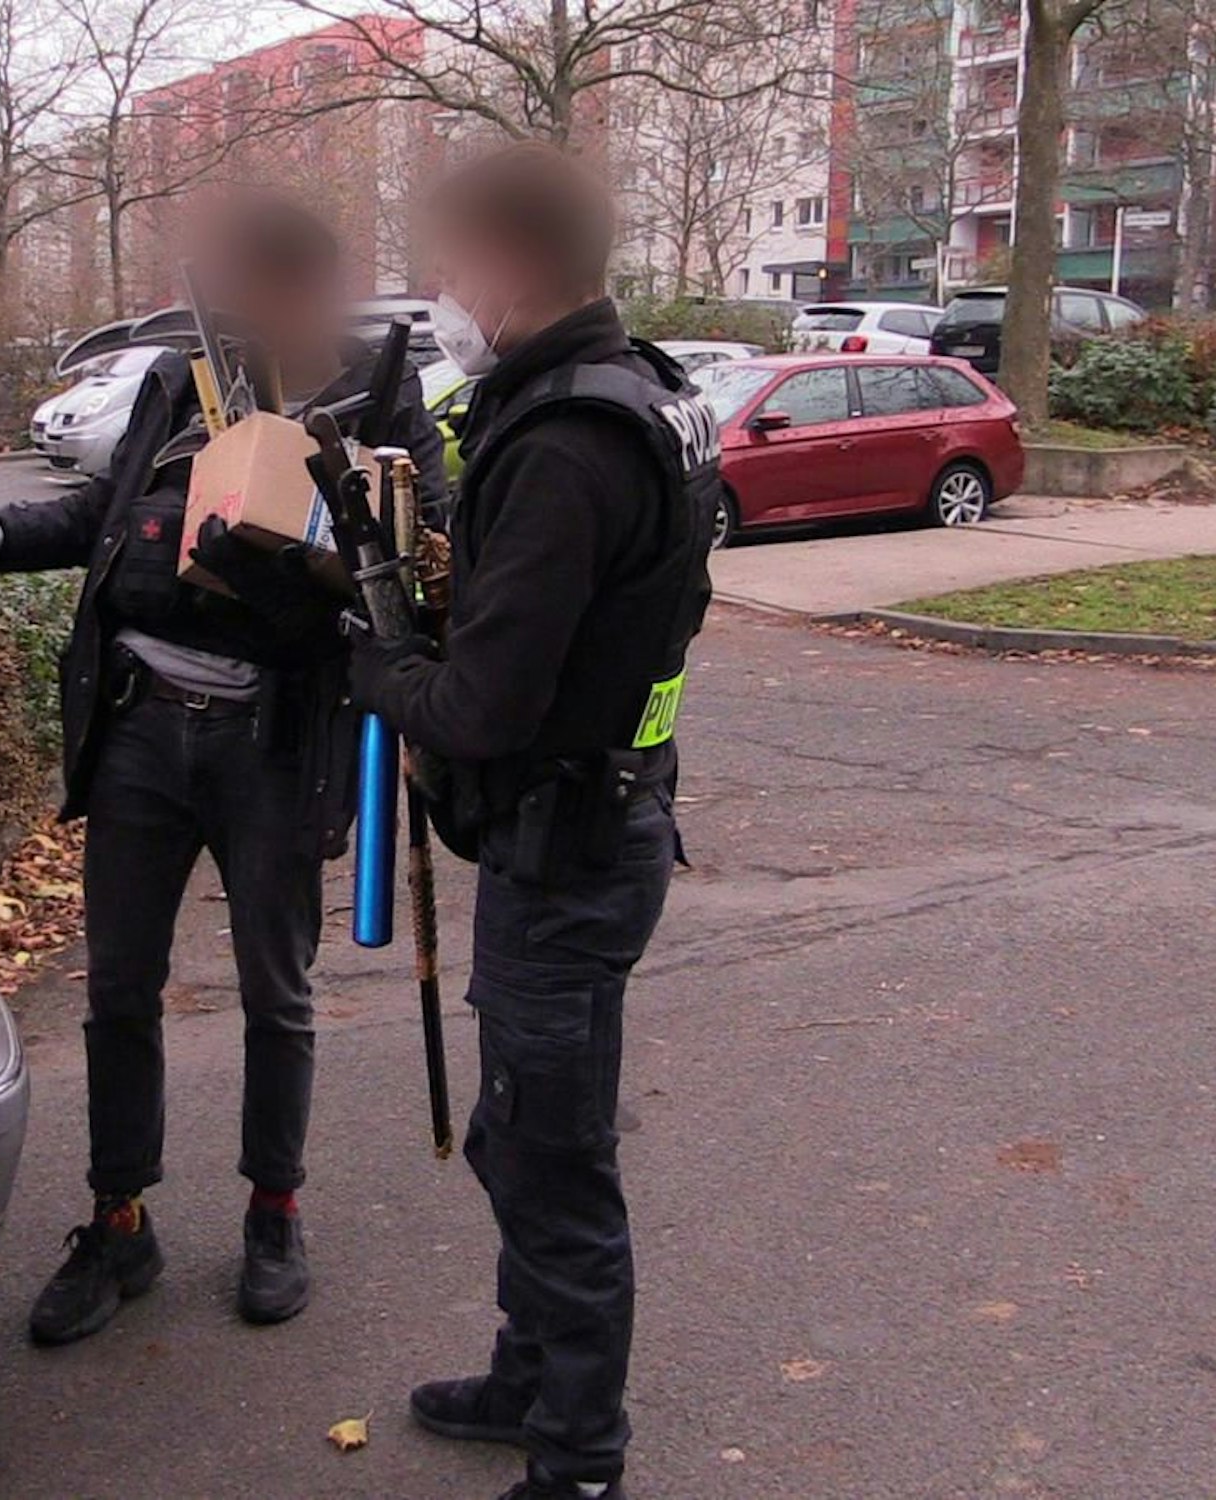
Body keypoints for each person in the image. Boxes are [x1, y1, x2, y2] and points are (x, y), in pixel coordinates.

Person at [0, 195, 445, 1346]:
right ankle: (118, 1221)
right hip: (142, 726)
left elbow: (419, 563)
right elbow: (107, 512)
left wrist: (329, 544)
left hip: (274, 742)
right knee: (117, 990)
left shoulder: (378, 388)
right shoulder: (177, 381)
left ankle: (272, 1211)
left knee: (275, 992)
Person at [348, 144, 719, 1500]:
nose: (446, 291)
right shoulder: (643, 394)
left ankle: (579, 1459)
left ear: (515, 263)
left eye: (456, 263)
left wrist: (370, 662)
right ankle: (528, 1376)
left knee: (550, 1156)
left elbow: (484, 703)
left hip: (568, 844)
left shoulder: (567, 437)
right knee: (521, 1127)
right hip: (601, 823)